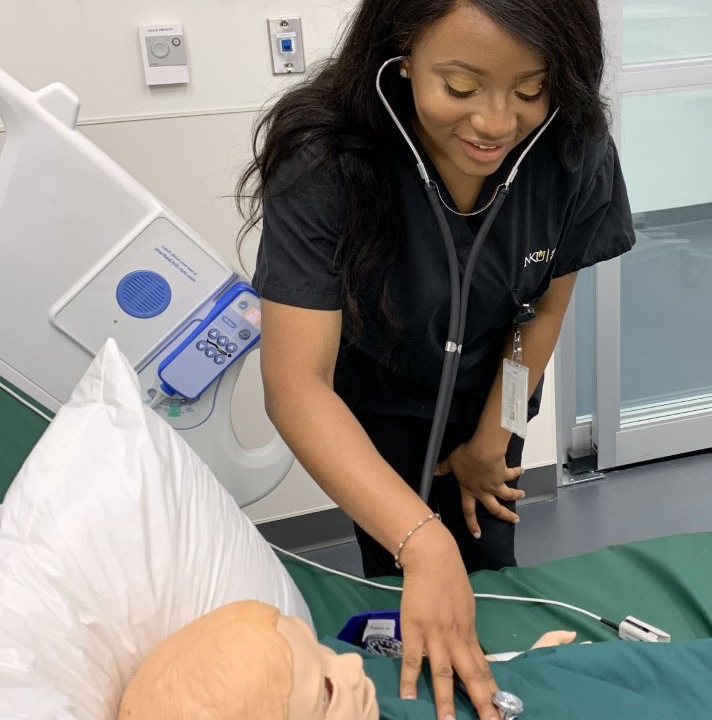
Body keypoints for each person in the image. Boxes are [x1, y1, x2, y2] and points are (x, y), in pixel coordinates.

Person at [235, 0, 634, 718]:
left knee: (489, 570)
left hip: (495, 393)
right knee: (398, 572)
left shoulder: (573, 146)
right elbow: (296, 385)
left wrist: (492, 439)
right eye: (460, 86)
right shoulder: (325, 158)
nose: (495, 123)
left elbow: (541, 309)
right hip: (371, 408)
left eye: (530, 89)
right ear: (403, 46)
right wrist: (420, 541)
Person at [119, 524, 712, 720]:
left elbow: (423, 681)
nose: (344, 668)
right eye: (322, 688)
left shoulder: (353, 680)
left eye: (316, 650)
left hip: (547, 686)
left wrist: (526, 659)